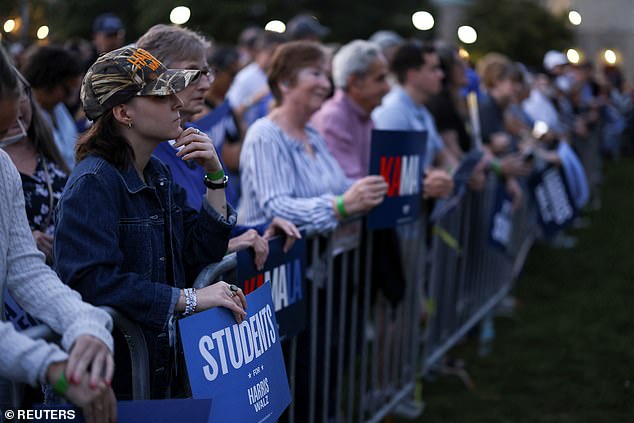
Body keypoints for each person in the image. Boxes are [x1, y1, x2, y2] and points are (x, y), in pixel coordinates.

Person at [53, 46, 245, 399]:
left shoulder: (156, 172)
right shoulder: (93, 182)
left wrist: (215, 177)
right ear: (123, 112)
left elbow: (200, 250)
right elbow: (92, 281)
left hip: (156, 375)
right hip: (111, 387)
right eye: (161, 94)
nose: (177, 102)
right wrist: (189, 298)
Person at [0, 45, 116, 423]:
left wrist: (86, 324)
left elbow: (26, 270)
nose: (10, 137)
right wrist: (55, 369)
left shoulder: (3, 166)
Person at [137, 25, 300, 268]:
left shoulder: (196, 142)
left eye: (207, 72)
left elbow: (213, 230)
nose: (206, 84)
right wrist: (223, 250)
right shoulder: (144, 155)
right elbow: (153, 256)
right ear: (156, 79)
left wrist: (263, 230)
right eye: (192, 72)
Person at [239, 41, 388, 233]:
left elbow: (339, 184)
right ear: (285, 82)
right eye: (316, 74)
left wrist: (371, 189)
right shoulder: (264, 134)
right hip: (275, 261)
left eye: (327, 76)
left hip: (312, 261)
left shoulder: (311, 133)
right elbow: (276, 206)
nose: (326, 85)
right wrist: (338, 207)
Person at [373, 41, 456, 198]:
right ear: (412, 75)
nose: (441, 75)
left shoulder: (423, 111)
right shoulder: (392, 111)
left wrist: (447, 176)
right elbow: (388, 171)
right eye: (433, 69)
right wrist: (429, 179)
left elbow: (443, 155)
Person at [311, 39, 390, 180]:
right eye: (380, 79)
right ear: (354, 82)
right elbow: (351, 185)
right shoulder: (334, 118)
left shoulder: (366, 116)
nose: (387, 87)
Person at [20, 45, 83, 170]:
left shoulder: (57, 108)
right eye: (67, 91)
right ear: (48, 81)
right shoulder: (22, 117)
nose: (69, 98)